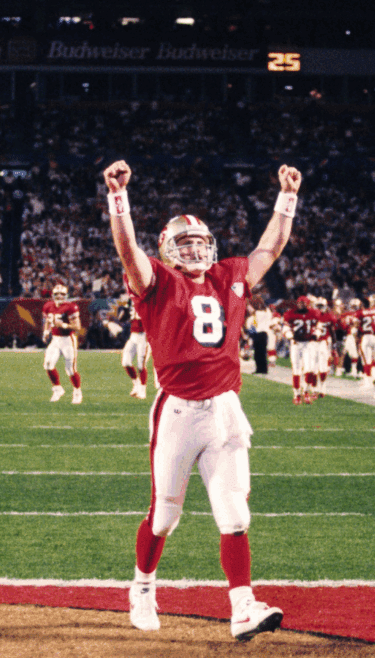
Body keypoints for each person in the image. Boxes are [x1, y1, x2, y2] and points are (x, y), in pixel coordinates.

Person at [103, 158, 300, 641]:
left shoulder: (229, 275)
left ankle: (242, 608)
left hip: (226, 409)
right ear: (168, 251)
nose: (193, 248)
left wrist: (287, 197)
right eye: (183, 242)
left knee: (235, 515)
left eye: (199, 241)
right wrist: (118, 198)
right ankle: (143, 587)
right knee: (165, 515)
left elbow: (270, 246)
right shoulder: (155, 281)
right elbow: (127, 249)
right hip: (177, 410)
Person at [41, 284, 83, 403]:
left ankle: (77, 392)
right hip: (55, 339)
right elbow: (48, 321)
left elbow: (77, 327)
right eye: (57, 294)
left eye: (62, 294)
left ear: (66, 295)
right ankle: (57, 389)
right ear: (53, 295)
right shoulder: (48, 306)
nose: (59, 296)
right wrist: (46, 332)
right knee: (48, 364)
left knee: (70, 369)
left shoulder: (71, 307)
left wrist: (64, 325)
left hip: (68, 340)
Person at [283, 295, 320, 404]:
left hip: (308, 343)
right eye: (299, 303)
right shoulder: (290, 313)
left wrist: (316, 334)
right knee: (296, 369)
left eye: (303, 303)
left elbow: (318, 326)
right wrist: (289, 335)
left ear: (307, 304)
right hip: (296, 343)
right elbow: (285, 327)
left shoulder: (314, 313)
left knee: (309, 368)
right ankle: (297, 394)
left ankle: (306, 392)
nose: (301, 305)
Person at [121, 296, 150, 398]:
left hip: (144, 335)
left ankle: (142, 390)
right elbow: (122, 318)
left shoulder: (148, 299)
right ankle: (136, 383)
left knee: (141, 365)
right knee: (125, 362)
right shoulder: (130, 299)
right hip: (133, 335)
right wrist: (124, 309)